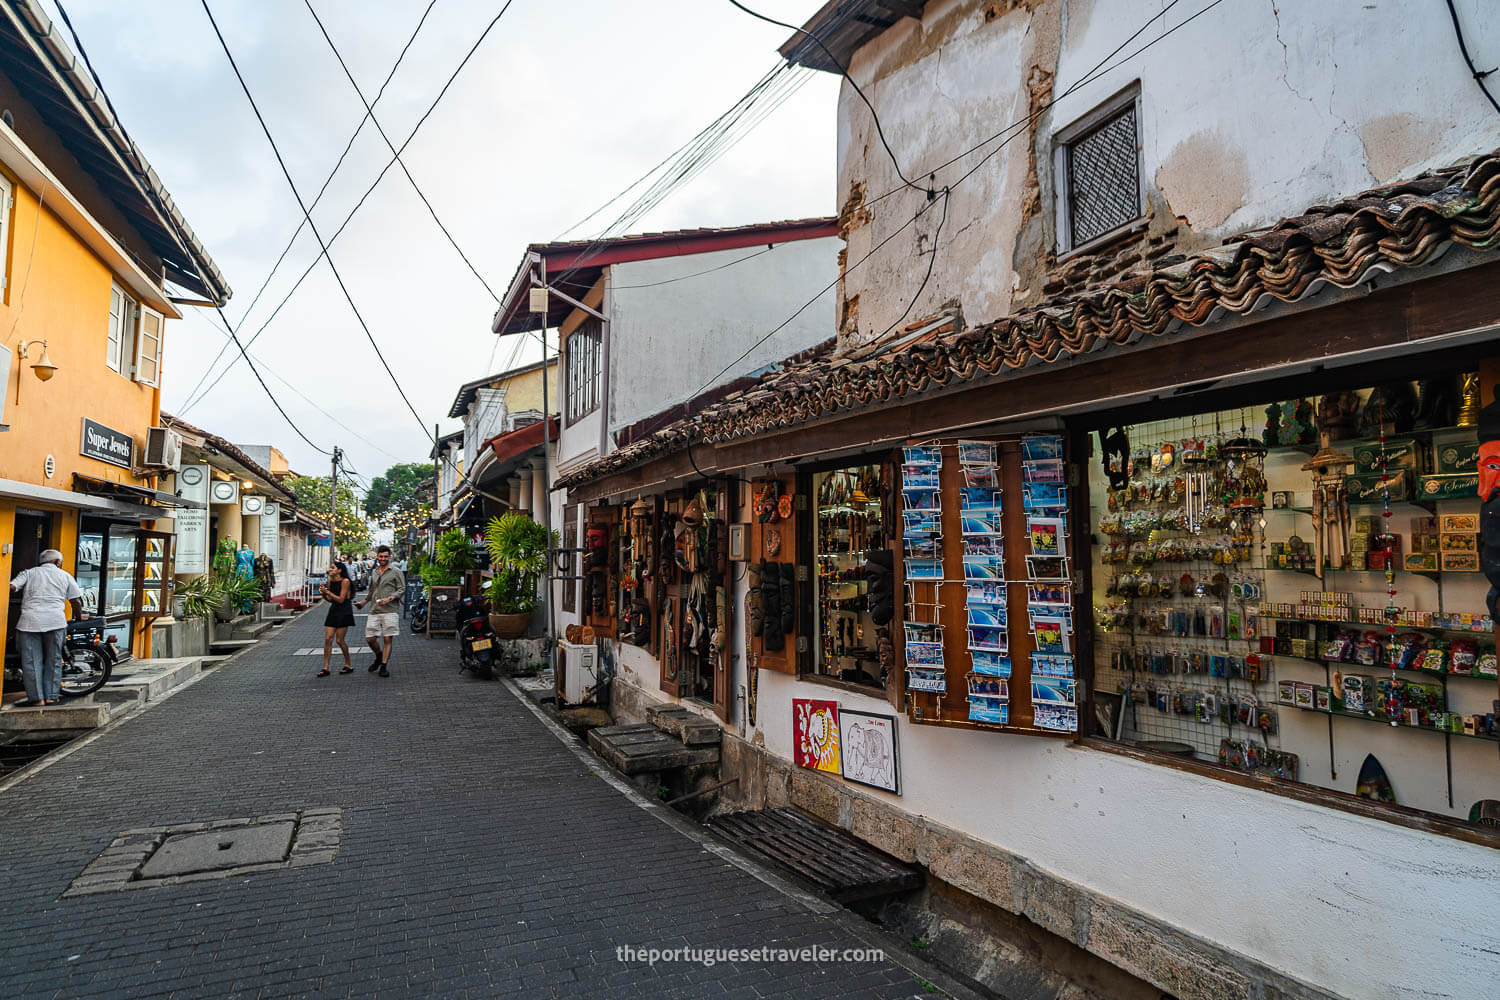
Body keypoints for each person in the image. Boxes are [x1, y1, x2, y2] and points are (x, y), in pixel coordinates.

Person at [8, 550, 84, 707]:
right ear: (58, 562)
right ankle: (51, 696)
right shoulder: (65, 575)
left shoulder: (28, 573)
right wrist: (79, 617)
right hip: (55, 622)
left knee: (30, 661)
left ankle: (37, 698)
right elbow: (75, 600)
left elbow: (12, 586)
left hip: (29, 622)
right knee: (54, 659)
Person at [357, 545, 404, 676]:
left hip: (390, 609)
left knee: (387, 638)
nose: (383, 559)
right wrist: (363, 602)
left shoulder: (396, 571)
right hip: (375, 609)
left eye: (385, 556)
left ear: (389, 557)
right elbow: (372, 590)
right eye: (381, 556)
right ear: (377, 557)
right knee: (370, 638)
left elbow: (402, 589)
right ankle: (379, 655)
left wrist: (390, 598)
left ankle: (384, 666)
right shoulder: (375, 572)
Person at [317, 561, 355, 677]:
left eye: (333, 568)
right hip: (334, 610)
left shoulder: (345, 581)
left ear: (339, 570)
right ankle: (326, 667)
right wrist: (324, 594)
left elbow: (341, 599)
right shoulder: (330, 581)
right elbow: (332, 600)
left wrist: (327, 592)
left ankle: (348, 664)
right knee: (328, 638)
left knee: (339, 640)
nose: (330, 570)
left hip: (344, 611)